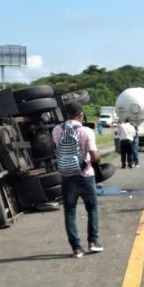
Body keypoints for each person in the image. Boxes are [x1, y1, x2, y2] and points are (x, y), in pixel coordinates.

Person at [53, 102, 104, 258]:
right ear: (81, 115)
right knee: (92, 209)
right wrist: (98, 156)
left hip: (67, 177)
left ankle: (76, 249)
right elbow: (94, 157)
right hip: (85, 176)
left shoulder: (56, 130)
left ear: (66, 114)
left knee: (70, 213)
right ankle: (93, 242)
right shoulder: (86, 131)